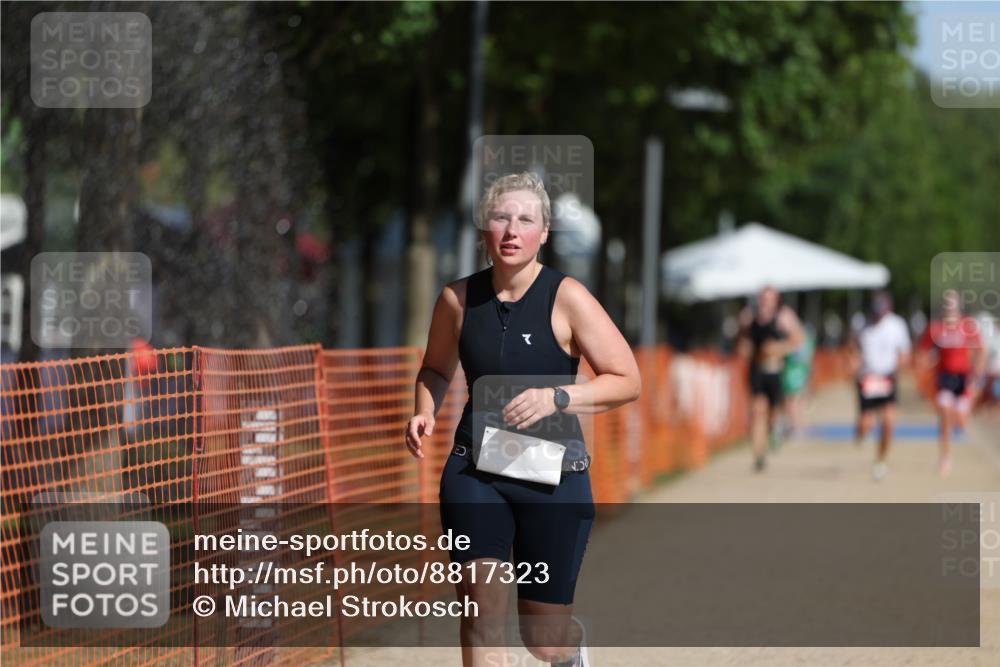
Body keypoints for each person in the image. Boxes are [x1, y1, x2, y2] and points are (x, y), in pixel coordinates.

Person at [405, 172, 641, 667]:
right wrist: (424, 410)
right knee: (480, 615)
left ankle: (571, 652)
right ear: (484, 229)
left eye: (525, 219)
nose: (512, 230)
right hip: (476, 471)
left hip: (552, 476)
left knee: (544, 639)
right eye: (500, 217)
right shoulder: (456, 301)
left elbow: (626, 379)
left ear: (544, 232)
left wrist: (557, 398)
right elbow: (434, 368)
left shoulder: (568, 297)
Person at [917, 289, 985, 476]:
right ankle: (945, 457)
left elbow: (981, 350)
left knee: (961, 423)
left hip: (964, 378)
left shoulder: (968, 326)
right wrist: (926, 365)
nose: (949, 307)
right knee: (945, 415)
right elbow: (923, 353)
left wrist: (977, 375)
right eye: (946, 303)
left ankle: (962, 416)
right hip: (944, 377)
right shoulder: (935, 328)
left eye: (953, 302)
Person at [737, 286, 805, 472]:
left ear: (776, 299)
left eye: (770, 298)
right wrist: (746, 348)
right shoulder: (749, 317)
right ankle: (758, 455)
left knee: (772, 415)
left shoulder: (784, 317)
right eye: (763, 297)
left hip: (775, 371)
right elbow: (742, 340)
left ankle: (772, 434)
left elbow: (799, 339)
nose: (766, 301)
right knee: (758, 410)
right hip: (757, 370)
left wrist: (779, 348)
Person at [850, 291, 911, 481]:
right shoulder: (861, 323)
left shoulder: (897, 325)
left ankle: (881, 460)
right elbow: (853, 346)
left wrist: (897, 369)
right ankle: (860, 433)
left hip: (887, 377)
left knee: (888, 422)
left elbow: (904, 352)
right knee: (866, 423)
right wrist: (854, 364)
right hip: (867, 377)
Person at [780, 323, 816, 439]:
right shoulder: (806, 343)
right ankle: (797, 424)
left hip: (794, 374)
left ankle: (796, 425)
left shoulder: (796, 343)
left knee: (793, 401)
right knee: (795, 400)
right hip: (798, 374)